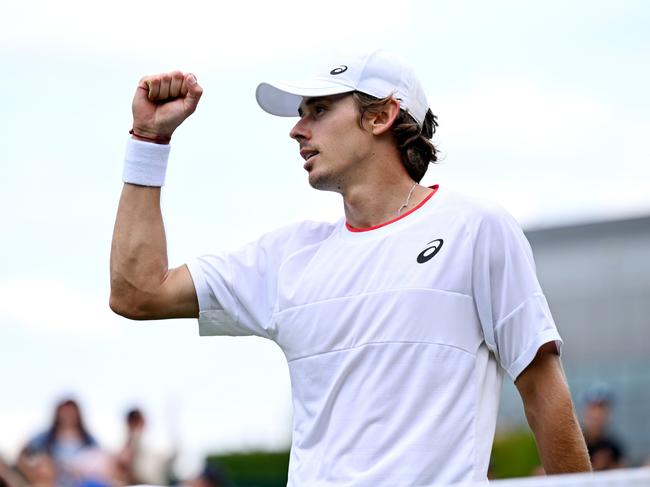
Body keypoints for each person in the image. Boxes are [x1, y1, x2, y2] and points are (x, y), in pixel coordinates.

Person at [110, 49, 591, 485]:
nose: (298, 129)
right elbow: (137, 291)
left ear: (382, 115)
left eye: (318, 111)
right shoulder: (287, 256)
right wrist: (149, 140)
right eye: (301, 115)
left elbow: (544, 393)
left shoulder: (477, 229)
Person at [17, 398, 114, 487]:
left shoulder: (89, 439)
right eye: (64, 411)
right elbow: (24, 454)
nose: (68, 415)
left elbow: (101, 462)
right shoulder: (43, 438)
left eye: (71, 412)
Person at [581, 384, 625, 470]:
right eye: (593, 408)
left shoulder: (614, 447)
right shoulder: (577, 444)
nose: (597, 414)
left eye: (601, 408)